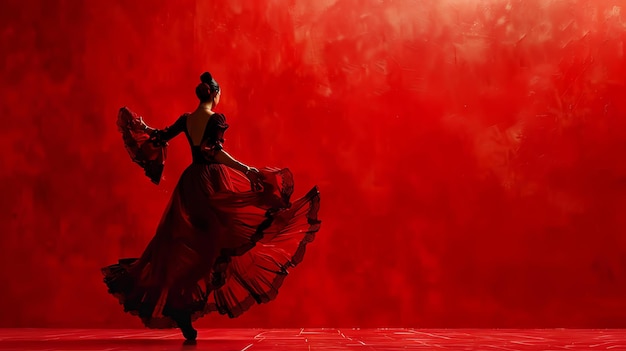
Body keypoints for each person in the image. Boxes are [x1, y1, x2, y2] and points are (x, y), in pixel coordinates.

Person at [101, 71, 321, 341]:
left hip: (190, 183)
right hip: (211, 181)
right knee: (222, 236)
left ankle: (186, 295)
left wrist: (144, 128)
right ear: (215, 94)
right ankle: (186, 294)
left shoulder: (187, 119)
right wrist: (246, 169)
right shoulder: (216, 119)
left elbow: (160, 137)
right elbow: (212, 151)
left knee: (202, 241)